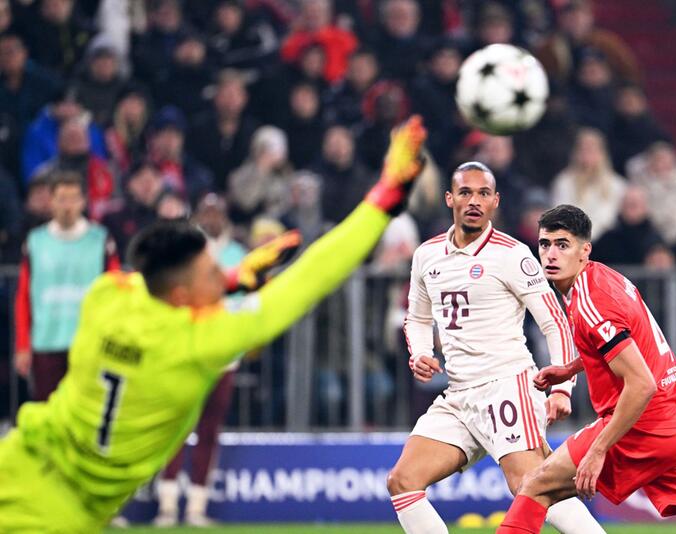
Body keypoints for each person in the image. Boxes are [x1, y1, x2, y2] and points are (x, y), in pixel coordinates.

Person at [0, 116, 428, 532]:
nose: (219, 275)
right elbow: (309, 278)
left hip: (17, 460)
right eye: (211, 273)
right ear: (183, 296)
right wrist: (384, 199)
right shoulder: (200, 342)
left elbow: (145, 283)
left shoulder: (104, 298)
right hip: (58, 514)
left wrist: (229, 280)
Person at [496, 204, 676, 534]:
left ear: (584, 250)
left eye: (562, 244)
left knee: (535, 485)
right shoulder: (602, 279)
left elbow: (641, 383)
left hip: (644, 425)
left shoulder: (591, 301)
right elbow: (626, 348)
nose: (550, 254)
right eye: (545, 244)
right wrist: (572, 368)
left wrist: (598, 449)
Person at [391, 162, 603, 534]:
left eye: (483, 193)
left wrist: (562, 387)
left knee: (530, 486)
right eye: (466, 192)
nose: (474, 201)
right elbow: (418, 317)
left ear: (495, 202)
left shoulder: (512, 254)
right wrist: (421, 352)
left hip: (508, 385)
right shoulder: (426, 255)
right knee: (403, 481)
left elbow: (556, 321)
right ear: (449, 198)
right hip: (458, 395)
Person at [154, 194, 246, 527]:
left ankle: (195, 507)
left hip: (223, 355)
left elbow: (248, 302)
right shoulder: (188, 251)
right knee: (176, 428)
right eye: (206, 212)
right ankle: (166, 504)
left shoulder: (237, 254)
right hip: (190, 354)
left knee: (209, 430)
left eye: (216, 212)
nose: (211, 218)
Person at [14, 171, 119, 401]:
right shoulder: (35, 241)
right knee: (48, 412)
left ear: (83, 201)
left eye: (73, 198)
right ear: (50, 201)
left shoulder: (101, 240)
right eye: (61, 198)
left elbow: (116, 293)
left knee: (87, 412)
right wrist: (22, 344)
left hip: (90, 344)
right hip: (47, 341)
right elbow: (23, 296)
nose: (67, 206)